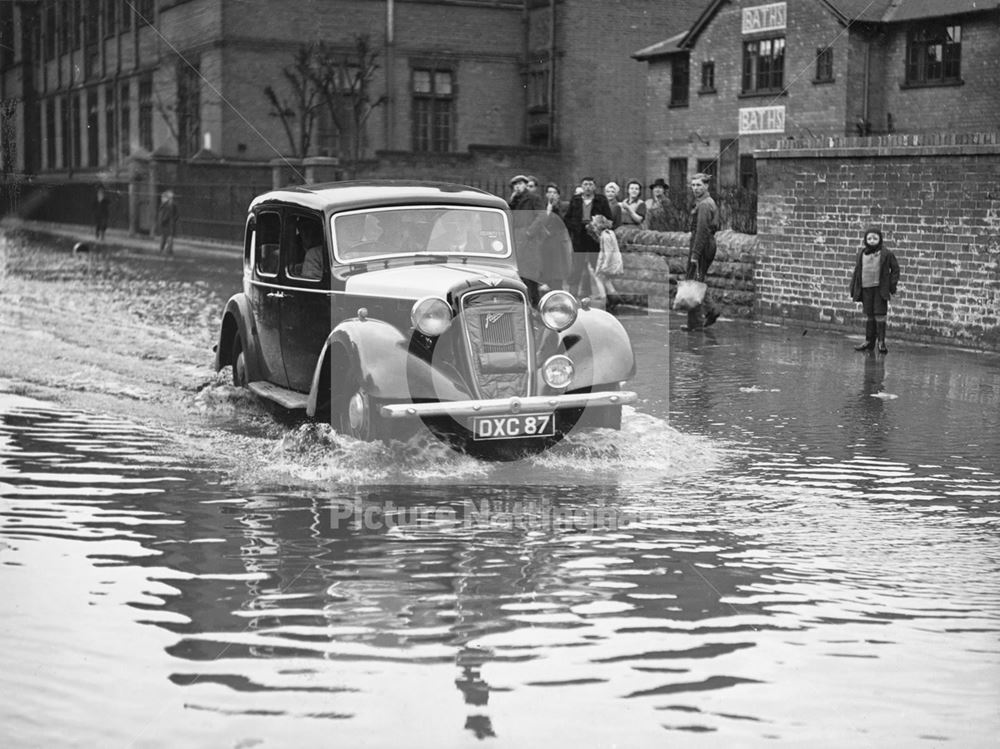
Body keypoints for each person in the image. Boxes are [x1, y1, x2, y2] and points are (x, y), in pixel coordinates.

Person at [849, 226, 900, 353]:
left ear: (880, 239)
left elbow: (895, 270)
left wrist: (891, 286)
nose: (872, 240)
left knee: (880, 315)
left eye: (875, 238)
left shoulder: (886, 253)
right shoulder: (861, 253)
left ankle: (881, 342)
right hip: (866, 289)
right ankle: (869, 341)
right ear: (866, 240)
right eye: (869, 238)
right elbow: (857, 271)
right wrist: (854, 287)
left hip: (879, 290)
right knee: (869, 315)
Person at [564, 176, 614, 299]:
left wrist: (597, 225)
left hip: (594, 239)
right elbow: (567, 219)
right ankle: (572, 297)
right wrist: (575, 226)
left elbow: (609, 219)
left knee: (598, 267)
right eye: (585, 184)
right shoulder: (575, 200)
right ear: (581, 186)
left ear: (595, 187)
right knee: (576, 268)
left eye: (590, 184)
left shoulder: (601, 200)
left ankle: (607, 297)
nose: (588, 187)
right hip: (578, 238)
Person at [683, 173, 720, 330]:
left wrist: (695, 254)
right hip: (704, 244)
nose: (695, 188)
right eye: (693, 185)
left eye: (699, 185)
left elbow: (702, 231)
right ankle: (696, 322)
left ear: (706, 186)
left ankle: (709, 312)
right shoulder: (703, 202)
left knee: (694, 283)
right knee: (695, 281)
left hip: (703, 245)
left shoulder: (705, 204)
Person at [509, 174, 547, 303]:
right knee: (518, 273)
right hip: (516, 240)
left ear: (526, 185)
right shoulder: (513, 201)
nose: (518, 186)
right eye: (515, 184)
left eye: (520, 183)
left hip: (530, 241)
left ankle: (535, 304)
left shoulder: (533, 198)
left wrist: (530, 232)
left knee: (530, 274)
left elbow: (542, 216)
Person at [540, 183, 572, 290]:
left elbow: (564, 223)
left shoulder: (564, 207)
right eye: (549, 192)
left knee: (557, 273)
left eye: (554, 192)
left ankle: (557, 292)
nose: (552, 195)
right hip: (544, 243)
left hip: (557, 244)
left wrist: (554, 209)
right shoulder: (541, 206)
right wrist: (548, 210)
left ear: (558, 195)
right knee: (545, 271)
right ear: (545, 195)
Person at [156, 189, 179, 255]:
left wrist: (163, 221)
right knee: (168, 236)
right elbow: (177, 214)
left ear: (166, 198)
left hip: (166, 224)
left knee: (166, 237)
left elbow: (166, 215)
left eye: (163, 197)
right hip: (169, 223)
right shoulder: (170, 204)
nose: (161, 199)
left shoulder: (167, 205)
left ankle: (165, 250)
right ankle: (168, 250)